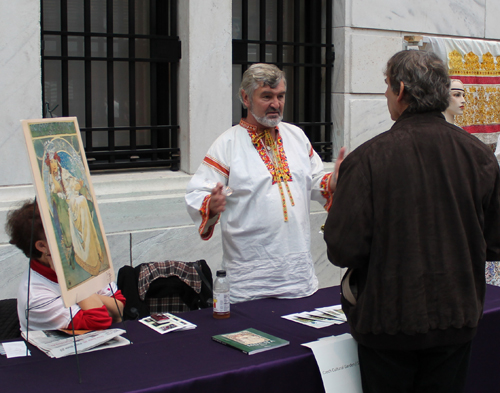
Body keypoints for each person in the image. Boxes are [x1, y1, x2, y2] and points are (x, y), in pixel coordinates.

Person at [323, 50, 500, 393]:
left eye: (387, 87)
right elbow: (495, 242)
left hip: (390, 326)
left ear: (401, 90)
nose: (386, 95)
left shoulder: (368, 159)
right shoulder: (479, 156)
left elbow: (343, 249)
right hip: (455, 319)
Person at [185, 63, 345, 303]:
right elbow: (197, 192)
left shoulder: (297, 137)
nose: (276, 104)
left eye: (280, 96)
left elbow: (313, 181)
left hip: (296, 276)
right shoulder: (227, 144)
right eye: (267, 96)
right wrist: (212, 203)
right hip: (248, 281)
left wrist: (334, 180)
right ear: (245, 98)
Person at [5, 200, 126, 332]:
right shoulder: (36, 296)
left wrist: (75, 297)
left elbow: (118, 308)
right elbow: (100, 321)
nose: (75, 234)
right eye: (64, 232)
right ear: (42, 246)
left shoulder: (80, 259)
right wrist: (72, 276)